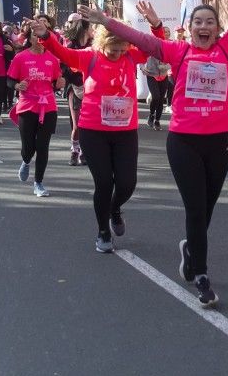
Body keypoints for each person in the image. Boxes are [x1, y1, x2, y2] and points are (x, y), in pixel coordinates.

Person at [81, 0, 228, 308]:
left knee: (207, 209)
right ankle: (202, 275)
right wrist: (106, 21)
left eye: (210, 22)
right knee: (195, 210)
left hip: (218, 142)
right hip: (184, 143)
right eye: (198, 21)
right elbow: (139, 40)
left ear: (218, 29)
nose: (204, 26)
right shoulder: (176, 51)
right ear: (189, 28)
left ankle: (190, 247)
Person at [42, 13, 150, 254]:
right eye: (113, 49)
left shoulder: (131, 57)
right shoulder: (88, 57)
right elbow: (62, 53)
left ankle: (114, 208)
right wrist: (46, 37)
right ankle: (103, 231)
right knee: (103, 181)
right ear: (102, 42)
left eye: (122, 49)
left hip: (125, 131)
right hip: (93, 130)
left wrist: (157, 26)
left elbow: (156, 48)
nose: (117, 54)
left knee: (127, 183)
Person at [10, 20, 64, 197]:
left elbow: (56, 83)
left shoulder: (53, 59)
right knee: (29, 147)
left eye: (42, 34)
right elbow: (10, 80)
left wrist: (60, 84)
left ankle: (38, 182)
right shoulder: (20, 57)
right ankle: (26, 161)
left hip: (48, 106)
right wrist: (17, 86)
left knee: (43, 146)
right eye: (35, 35)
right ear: (30, 38)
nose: (39, 38)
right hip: (27, 106)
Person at [62, 14, 93, 166]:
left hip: (93, 90)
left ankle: (85, 152)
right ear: (84, 29)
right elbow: (64, 69)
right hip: (75, 89)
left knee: (89, 124)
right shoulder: (71, 46)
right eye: (90, 27)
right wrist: (77, 78)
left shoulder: (95, 45)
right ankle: (74, 151)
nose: (92, 29)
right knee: (77, 125)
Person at [144, 54, 172, 130]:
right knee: (156, 96)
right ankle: (151, 114)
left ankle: (157, 121)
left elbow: (171, 62)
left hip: (163, 75)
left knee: (161, 99)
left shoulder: (166, 47)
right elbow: (141, 57)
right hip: (151, 74)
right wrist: (142, 67)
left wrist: (165, 67)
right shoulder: (150, 47)